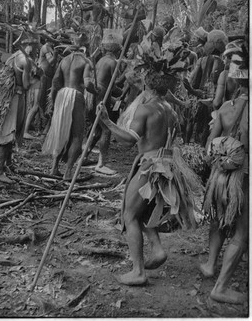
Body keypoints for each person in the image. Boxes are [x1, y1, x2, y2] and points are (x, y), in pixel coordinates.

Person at [98, 67, 201, 286]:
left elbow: (127, 141)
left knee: (130, 215)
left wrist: (107, 122)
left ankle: (138, 271)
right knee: (143, 210)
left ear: (148, 86)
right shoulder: (170, 110)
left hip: (150, 166)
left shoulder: (145, 109)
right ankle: (157, 249)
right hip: (166, 165)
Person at [199, 41, 248, 304]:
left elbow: (209, 145)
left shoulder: (225, 109)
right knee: (242, 233)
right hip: (243, 178)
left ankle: (209, 265)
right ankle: (221, 287)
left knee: (217, 219)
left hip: (219, 177)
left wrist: (221, 155)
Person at [42, 33, 99, 180]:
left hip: (61, 95)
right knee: (76, 135)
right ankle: (68, 172)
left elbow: (55, 83)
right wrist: (95, 91)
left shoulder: (64, 61)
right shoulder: (86, 62)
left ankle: (54, 168)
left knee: (60, 131)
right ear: (85, 47)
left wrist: (53, 103)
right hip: (75, 96)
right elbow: (87, 84)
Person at [0, 36, 35, 183]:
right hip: (15, 99)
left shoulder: (14, 56)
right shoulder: (26, 61)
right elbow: (27, 85)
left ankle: (8, 164)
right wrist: (35, 76)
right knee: (8, 134)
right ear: (30, 45)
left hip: (6, 98)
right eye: (36, 45)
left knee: (10, 132)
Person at [85, 31, 123, 175]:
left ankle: (85, 156)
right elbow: (115, 84)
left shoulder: (101, 60)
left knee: (97, 129)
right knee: (106, 129)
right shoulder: (113, 62)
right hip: (101, 95)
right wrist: (127, 74)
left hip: (94, 94)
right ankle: (101, 164)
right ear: (118, 50)